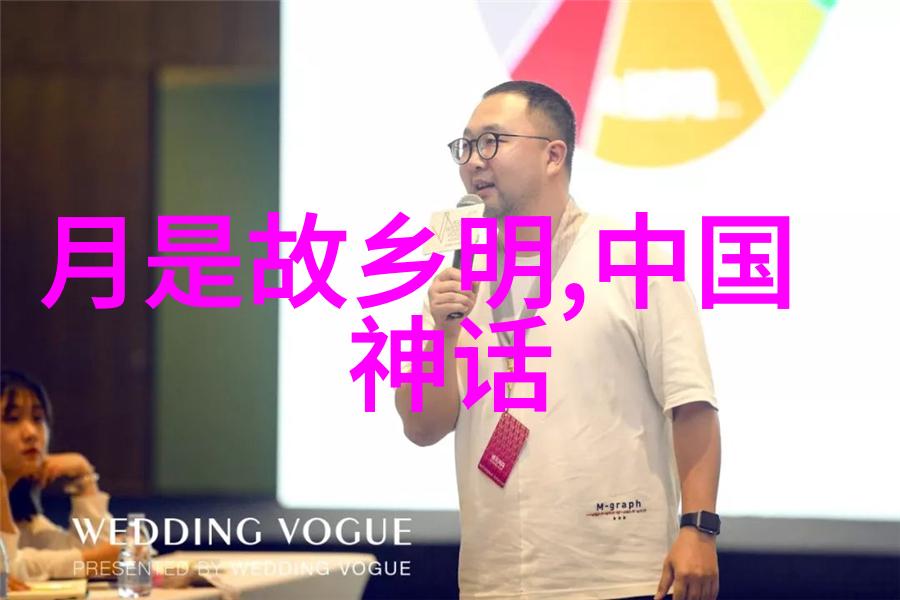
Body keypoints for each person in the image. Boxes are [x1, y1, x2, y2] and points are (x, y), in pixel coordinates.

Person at [395, 81, 721, 600]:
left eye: (491, 142)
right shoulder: (453, 281)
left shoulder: (633, 256)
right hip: (494, 580)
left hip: (619, 578)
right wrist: (442, 332)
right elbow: (421, 426)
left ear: (553, 155)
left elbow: (691, 403)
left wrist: (698, 528)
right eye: (465, 145)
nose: (473, 161)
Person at [0, 370, 120, 581]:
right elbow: (5, 572)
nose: (31, 433)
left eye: (38, 418)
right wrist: (87, 560)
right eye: (12, 419)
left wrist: (84, 475)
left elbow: (100, 551)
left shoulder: (23, 514)